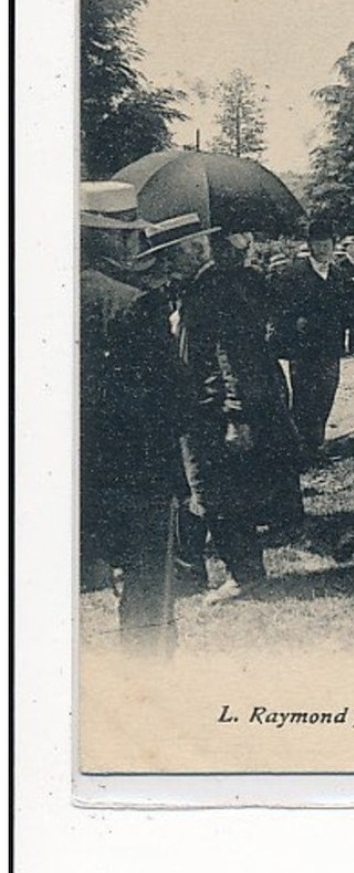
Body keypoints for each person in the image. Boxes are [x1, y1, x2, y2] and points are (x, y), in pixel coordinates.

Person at [79, 185, 195, 652]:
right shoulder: (134, 305)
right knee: (149, 593)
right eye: (130, 237)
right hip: (136, 472)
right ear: (112, 239)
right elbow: (177, 396)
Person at [172, 223, 306, 603]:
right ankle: (217, 571)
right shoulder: (218, 283)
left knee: (214, 491)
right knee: (208, 489)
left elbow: (227, 354)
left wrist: (235, 415)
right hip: (207, 405)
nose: (170, 261)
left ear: (200, 250)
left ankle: (244, 575)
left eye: (177, 251)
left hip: (213, 408)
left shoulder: (209, 288)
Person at [271, 217, 349, 465]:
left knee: (327, 393)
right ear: (310, 245)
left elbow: (347, 307)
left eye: (327, 243)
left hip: (330, 346)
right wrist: (293, 332)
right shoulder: (293, 274)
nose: (324, 248)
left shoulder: (338, 275)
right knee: (304, 397)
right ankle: (301, 449)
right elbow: (280, 310)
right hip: (303, 349)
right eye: (318, 243)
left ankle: (316, 444)